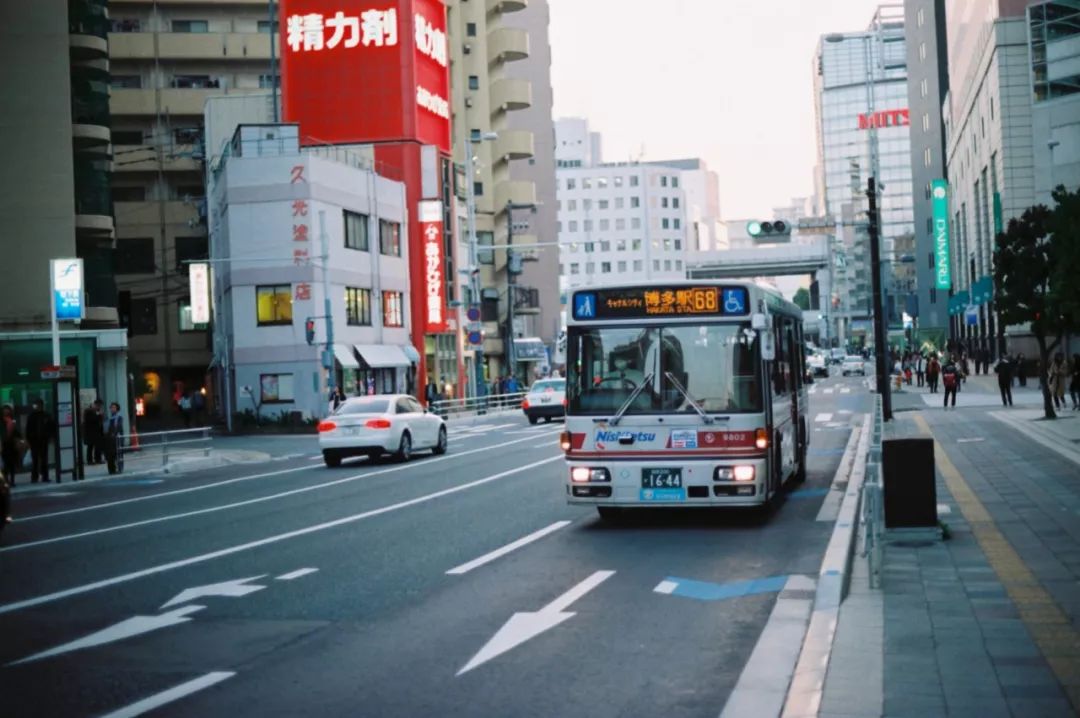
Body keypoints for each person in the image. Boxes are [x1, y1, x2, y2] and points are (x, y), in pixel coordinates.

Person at [25, 399, 54, 483]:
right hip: (34, 440)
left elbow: (51, 426)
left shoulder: (46, 415)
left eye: (38, 405)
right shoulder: (32, 416)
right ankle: (35, 477)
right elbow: (28, 429)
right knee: (35, 459)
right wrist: (28, 439)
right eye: (36, 405)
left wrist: (49, 436)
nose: (37, 407)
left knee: (43, 459)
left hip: (43, 440)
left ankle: (44, 476)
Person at [1, 405, 21, 486]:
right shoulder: (2, 421)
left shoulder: (12, 420)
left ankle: (11, 481)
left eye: (7, 410)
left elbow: (15, 432)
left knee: (11, 464)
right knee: (5, 464)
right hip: (4, 444)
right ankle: (6, 480)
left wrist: (19, 438)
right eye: (5, 410)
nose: (6, 412)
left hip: (11, 445)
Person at [105, 402, 125, 475]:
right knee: (110, 455)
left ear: (117, 409)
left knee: (119, 454)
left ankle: (120, 468)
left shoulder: (119, 417)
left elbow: (119, 427)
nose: (112, 409)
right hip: (109, 439)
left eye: (114, 407)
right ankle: (111, 470)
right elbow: (106, 428)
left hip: (117, 438)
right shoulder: (108, 418)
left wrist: (114, 433)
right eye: (111, 407)